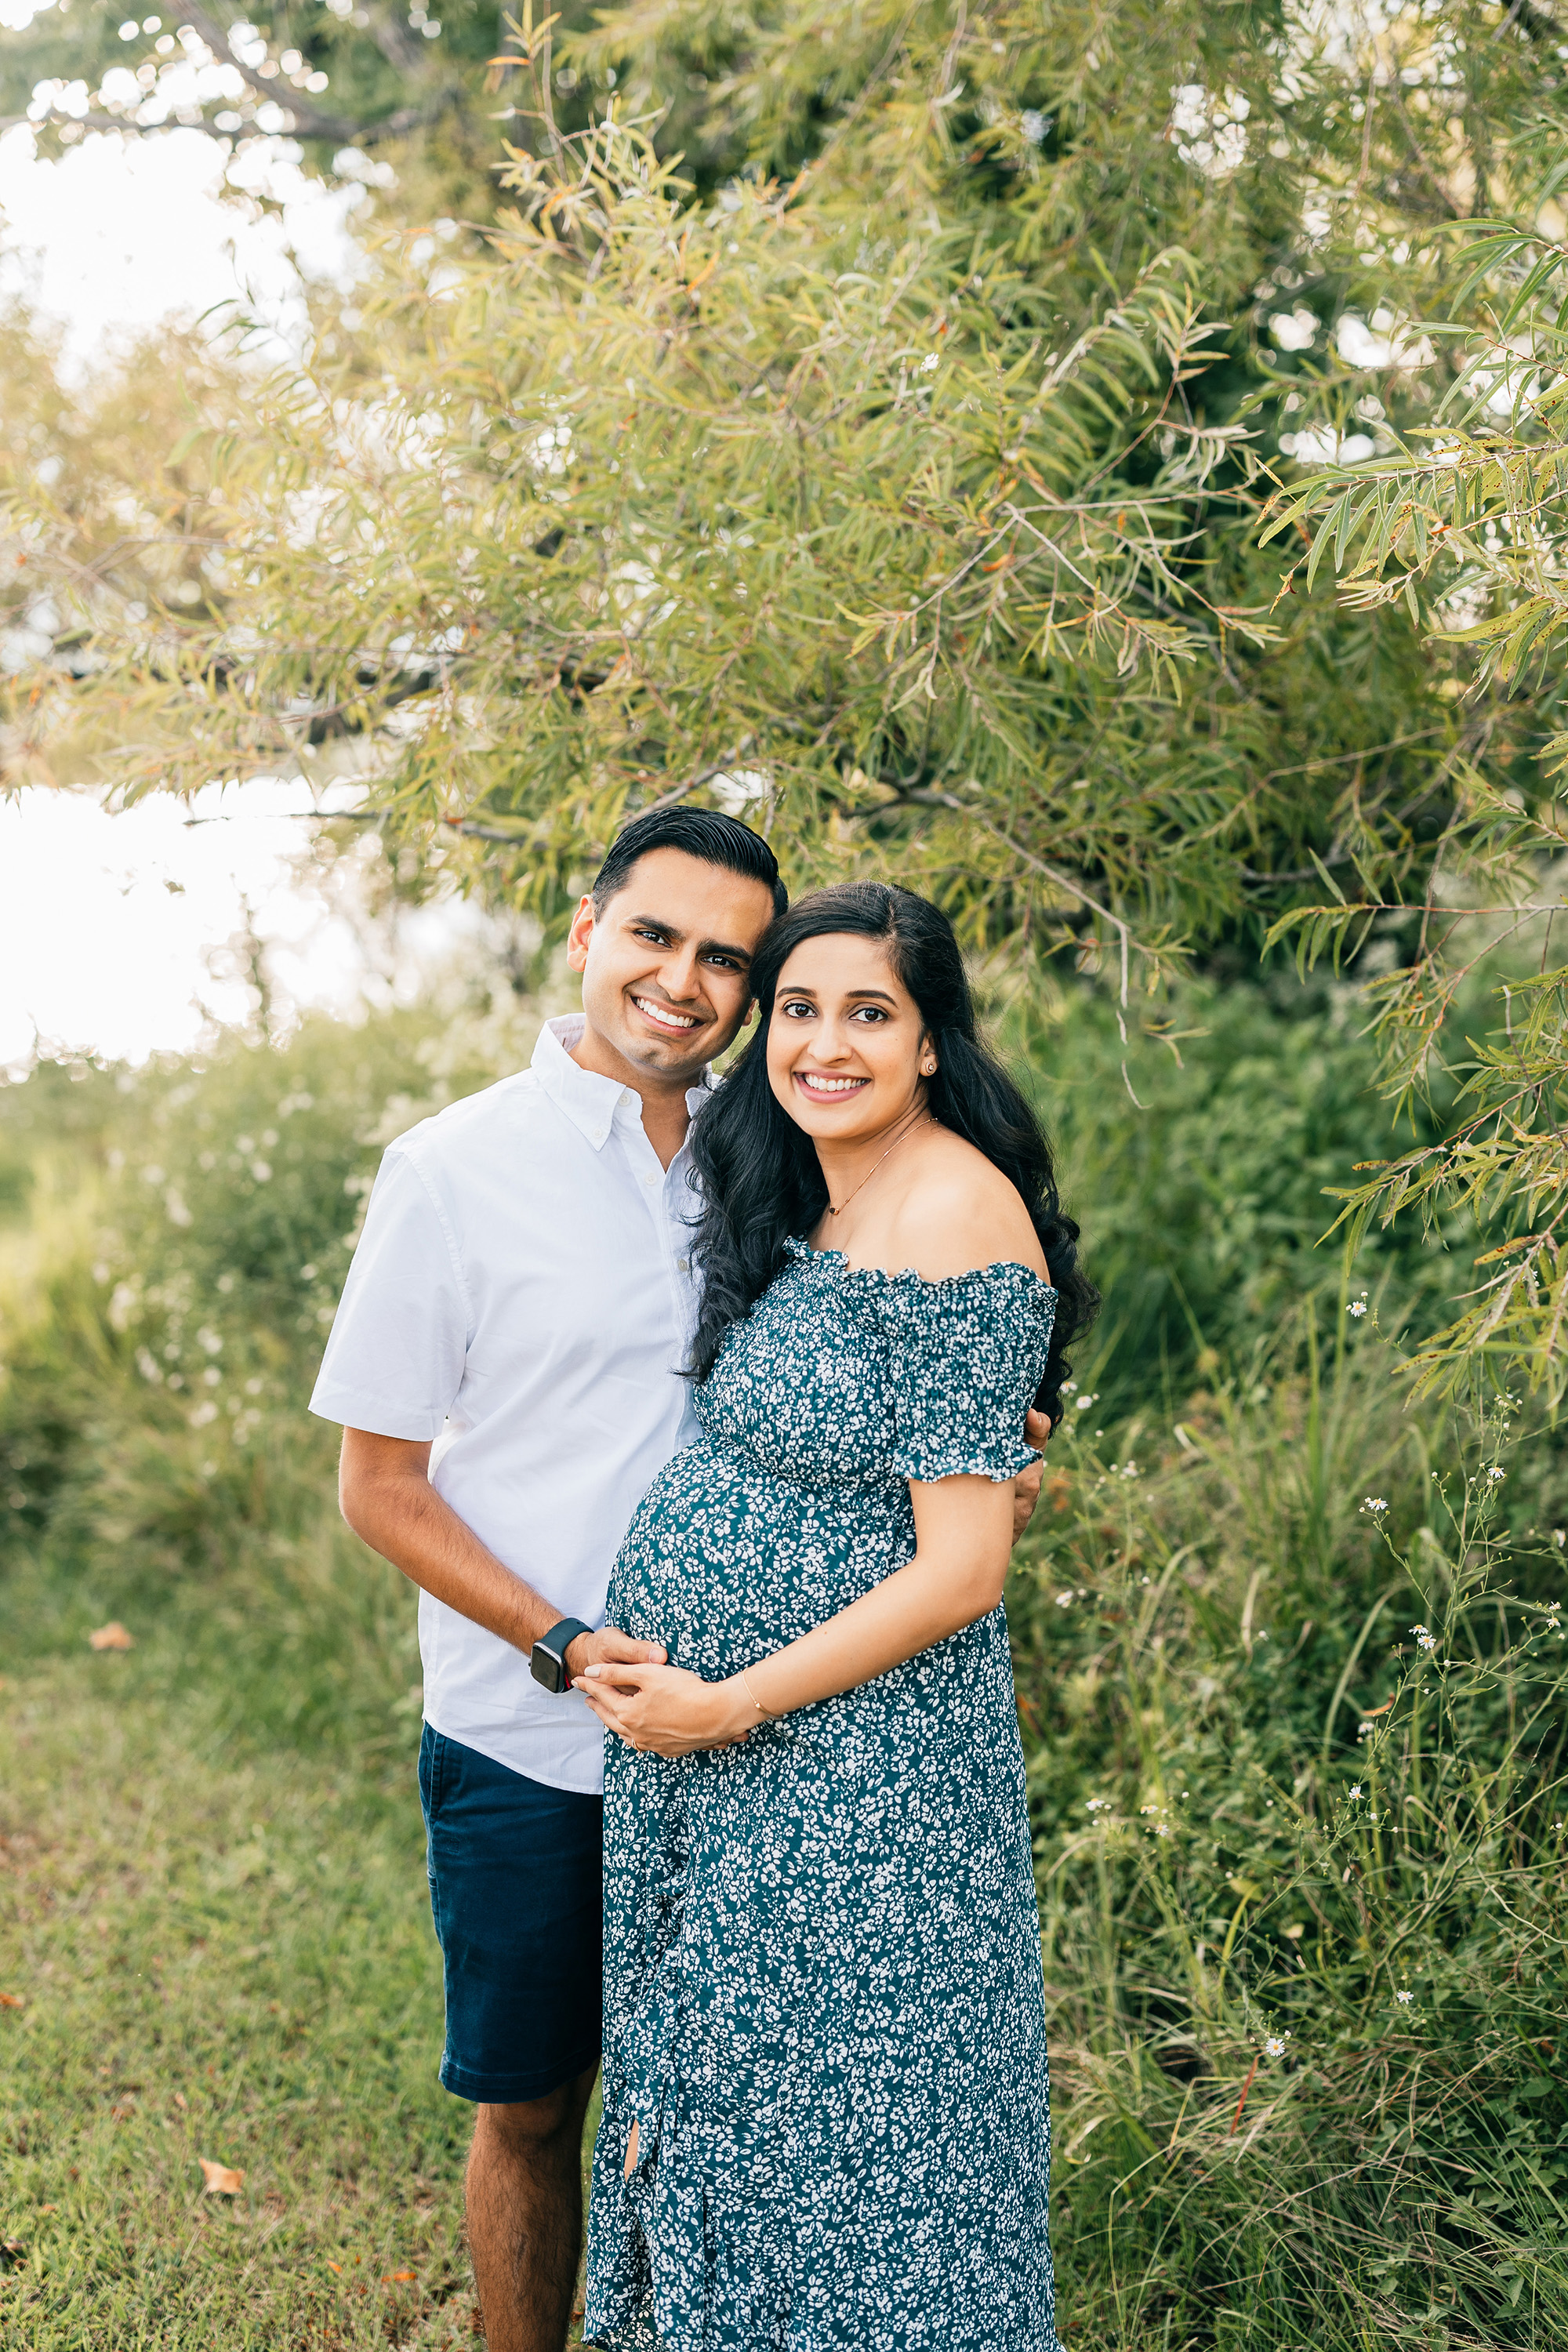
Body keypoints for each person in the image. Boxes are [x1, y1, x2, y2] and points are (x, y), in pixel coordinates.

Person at [307, 813, 1051, 2352]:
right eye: (656, 936)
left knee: (732, 2125)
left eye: (731, 958)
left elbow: (906, 1368)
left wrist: (1000, 1434)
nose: (685, 980)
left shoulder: (775, 1154)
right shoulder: (451, 1171)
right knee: (532, 2112)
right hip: (536, 1733)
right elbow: (380, 1487)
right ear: (588, 933)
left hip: (767, 1755)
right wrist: (565, 1643)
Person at [577, 880, 1097, 2352]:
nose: (825, 1043)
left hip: (854, 1782)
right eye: (798, 1008)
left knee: (859, 2153)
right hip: (747, 1765)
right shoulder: (823, 1186)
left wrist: (727, 1702)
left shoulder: (955, 1209)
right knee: (750, 2128)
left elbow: (962, 1568)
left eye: (870, 1013)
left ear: (933, 1040)